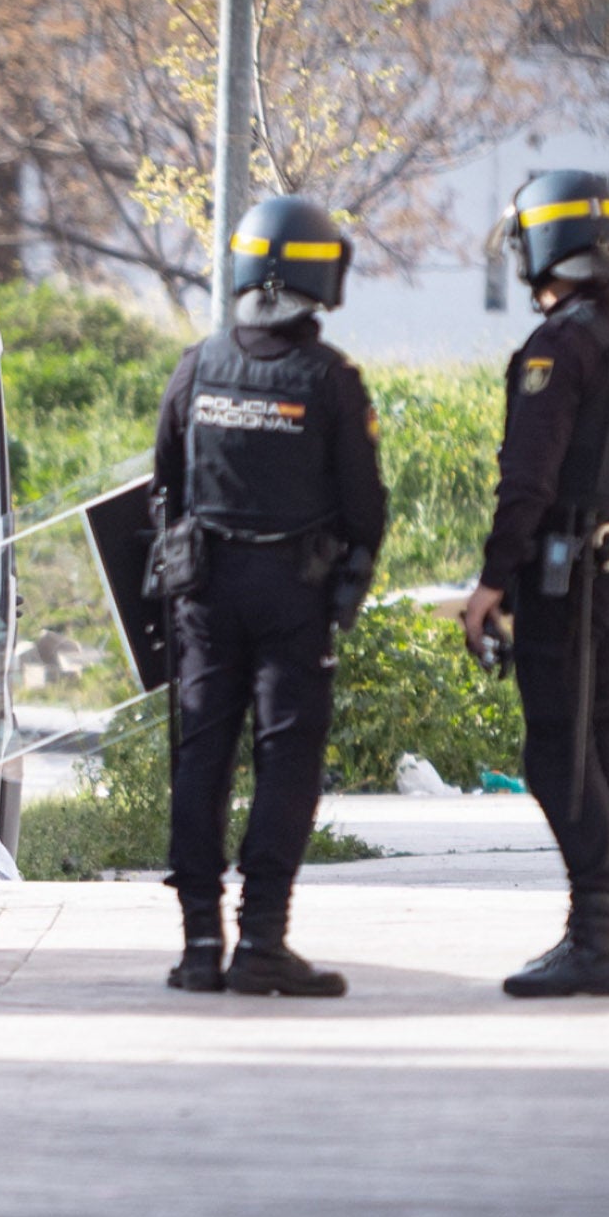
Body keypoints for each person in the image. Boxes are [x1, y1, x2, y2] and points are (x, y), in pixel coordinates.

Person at [154, 196, 388, 998]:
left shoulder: (197, 364)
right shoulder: (329, 380)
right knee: (284, 764)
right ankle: (260, 942)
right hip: (294, 596)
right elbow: (366, 509)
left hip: (205, 597)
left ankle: (195, 947)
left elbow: (166, 488)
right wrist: (342, 593)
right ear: (319, 275)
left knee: (200, 759)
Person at [461, 171, 609, 999]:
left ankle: (597, 941)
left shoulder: (561, 346)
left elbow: (528, 479)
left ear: (542, 247)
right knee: (601, 743)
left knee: (555, 752)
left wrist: (491, 581)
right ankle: (602, 931)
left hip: (564, 582)